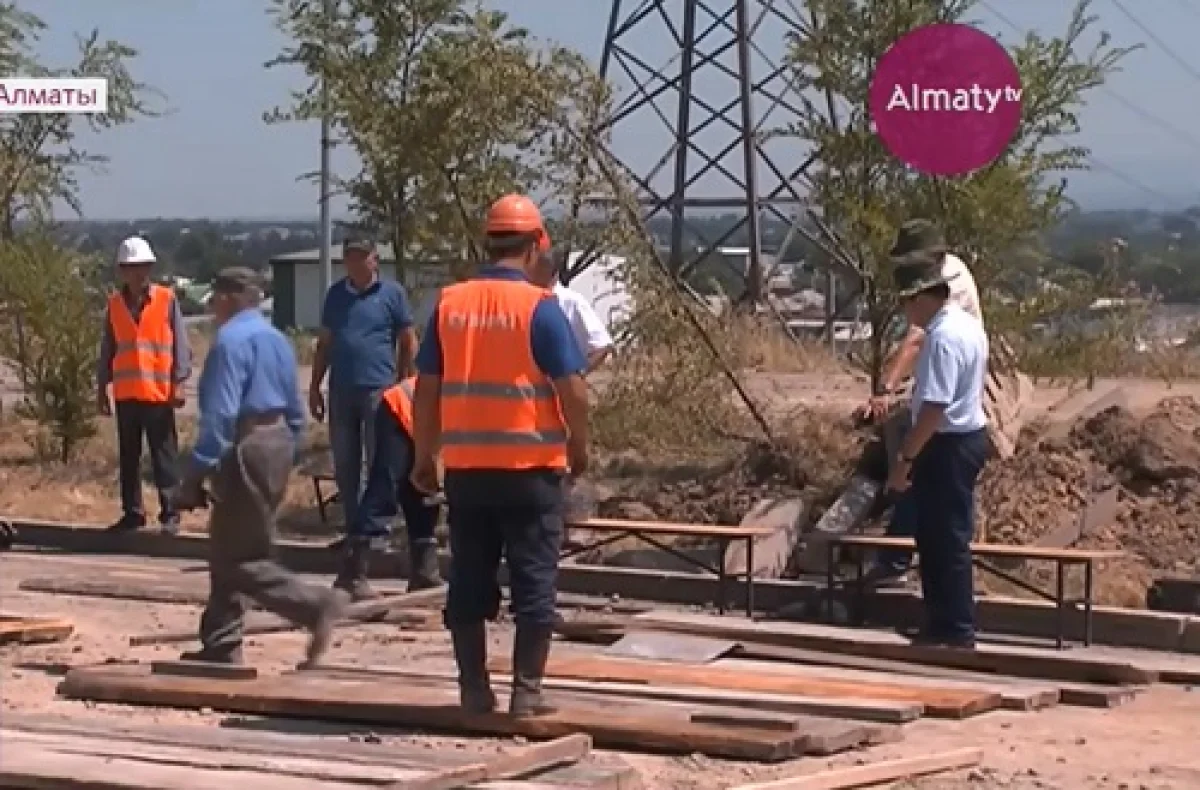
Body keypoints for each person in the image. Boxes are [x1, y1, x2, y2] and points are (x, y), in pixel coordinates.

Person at [409, 193, 589, 717]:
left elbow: (426, 390)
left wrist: (425, 456)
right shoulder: (540, 307)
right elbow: (573, 390)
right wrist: (579, 447)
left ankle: (474, 690)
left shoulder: (450, 304)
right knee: (534, 579)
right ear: (536, 246)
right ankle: (526, 693)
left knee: (467, 577)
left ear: (488, 242)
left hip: (467, 472)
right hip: (531, 471)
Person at [174, 267, 348, 667]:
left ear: (226, 298)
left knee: (238, 560)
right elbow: (295, 408)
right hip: (277, 443)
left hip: (246, 445)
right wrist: (291, 450)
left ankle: (313, 605)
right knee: (233, 543)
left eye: (216, 299)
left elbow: (220, 417)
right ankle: (221, 645)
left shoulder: (229, 344)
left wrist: (196, 472)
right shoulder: (277, 340)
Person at [856, 220, 984, 584]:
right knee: (923, 473)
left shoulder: (945, 279)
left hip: (955, 386)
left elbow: (915, 338)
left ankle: (896, 560)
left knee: (918, 469)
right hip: (945, 374)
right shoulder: (937, 277)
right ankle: (903, 558)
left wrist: (885, 389)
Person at [885, 257, 989, 649]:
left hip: (947, 444)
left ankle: (953, 627)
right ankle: (944, 621)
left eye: (907, 302)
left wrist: (905, 459)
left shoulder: (943, 338)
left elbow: (934, 407)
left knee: (943, 539)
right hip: (964, 438)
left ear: (921, 298)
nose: (906, 311)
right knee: (940, 536)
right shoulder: (967, 325)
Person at [308, 235, 418, 537]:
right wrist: (315, 386)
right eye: (350, 257)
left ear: (374, 259)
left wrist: (404, 380)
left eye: (362, 256)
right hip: (342, 389)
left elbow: (408, 339)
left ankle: (377, 528)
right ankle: (353, 526)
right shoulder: (336, 296)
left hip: (379, 389)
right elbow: (325, 343)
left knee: (379, 460)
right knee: (345, 462)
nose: (356, 263)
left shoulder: (392, 294)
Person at [97, 235, 191, 534]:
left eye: (144, 267)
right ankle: (132, 513)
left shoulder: (166, 299)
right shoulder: (114, 305)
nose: (140, 273)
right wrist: (102, 388)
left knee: (164, 455)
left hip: (158, 394)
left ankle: (171, 512)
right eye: (133, 267)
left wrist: (179, 382)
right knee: (129, 458)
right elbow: (107, 348)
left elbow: (180, 343)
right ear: (123, 270)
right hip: (127, 395)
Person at [333, 374, 442, 600]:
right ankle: (351, 576)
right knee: (385, 489)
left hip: (424, 419)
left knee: (424, 493)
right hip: (401, 411)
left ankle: (424, 574)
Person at [529, 251, 615, 373]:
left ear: (554, 273)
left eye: (540, 270)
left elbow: (602, 345)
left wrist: (578, 376)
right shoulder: (525, 301)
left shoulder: (572, 301)